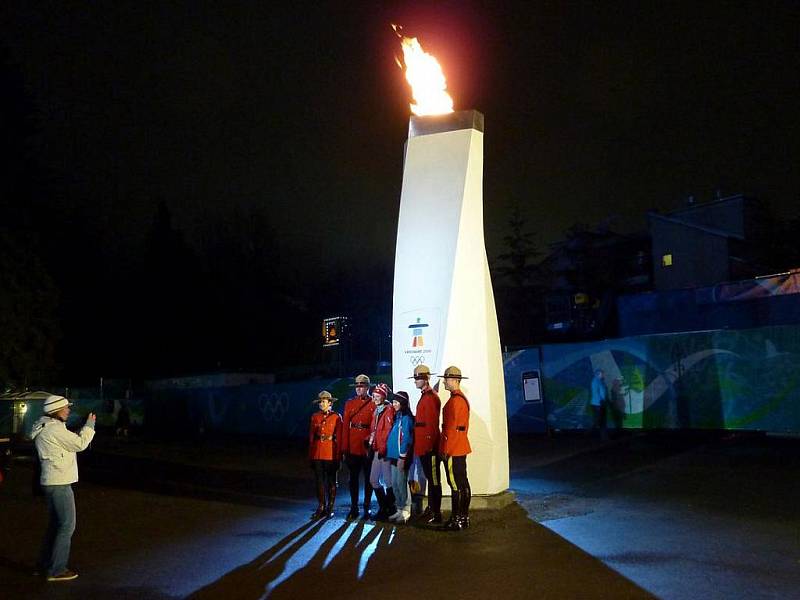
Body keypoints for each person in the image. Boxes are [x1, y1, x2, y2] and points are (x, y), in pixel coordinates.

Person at [30, 395, 96, 582]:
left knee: (55, 526)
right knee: (67, 525)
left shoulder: (44, 426)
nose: (68, 410)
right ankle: (56, 569)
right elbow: (80, 444)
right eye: (66, 408)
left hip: (51, 481)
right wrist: (89, 425)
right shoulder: (54, 430)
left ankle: (44, 565)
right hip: (59, 482)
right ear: (56, 410)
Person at [439, 366, 472, 531]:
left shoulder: (455, 401)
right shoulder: (460, 399)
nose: (444, 381)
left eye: (446, 378)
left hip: (453, 449)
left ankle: (457, 519)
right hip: (460, 447)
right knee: (462, 483)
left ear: (454, 380)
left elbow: (452, 429)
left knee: (455, 485)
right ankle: (463, 518)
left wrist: (446, 450)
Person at [340, 374, 377, 520]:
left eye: (361, 386)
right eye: (357, 386)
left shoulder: (373, 403)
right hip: (353, 446)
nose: (359, 389)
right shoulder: (350, 404)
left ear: (367, 387)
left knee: (369, 479)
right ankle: (354, 507)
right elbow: (345, 427)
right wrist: (344, 447)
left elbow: (375, 425)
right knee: (353, 479)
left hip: (367, 445)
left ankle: (367, 507)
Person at [410, 364, 443, 524]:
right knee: (431, 478)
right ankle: (431, 509)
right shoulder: (426, 396)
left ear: (425, 378)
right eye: (415, 377)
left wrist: (429, 447)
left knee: (434, 480)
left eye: (417, 378)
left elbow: (431, 424)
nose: (415, 381)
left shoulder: (431, 397)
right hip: (424, 446)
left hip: (429, 447)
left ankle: (436, 513)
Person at [308, 390, 342, 520]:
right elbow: (311, 437)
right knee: (319, 481)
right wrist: (311, 455)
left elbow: (338, 437)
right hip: (318, 452)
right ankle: (321, 506)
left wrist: (339, 456)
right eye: (320, 402)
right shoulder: (315, 417)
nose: (321, 404)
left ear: (330, 403)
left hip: (330, 452)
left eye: (323, 401)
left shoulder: (336, 417)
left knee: (331, 480)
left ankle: (330, 507)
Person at [367, 382, 395, 521]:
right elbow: (376, 430)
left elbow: (387, 432)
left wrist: (383, 448)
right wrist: (370, 439)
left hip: (384, 450)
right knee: (373, 480)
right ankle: (385, 507)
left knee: (388, 480)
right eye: (374, 395)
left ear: (383, 396)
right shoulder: (376, 411)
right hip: (377, 449)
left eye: (378, 395)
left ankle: (389, 509)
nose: (375, 398)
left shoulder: (388, 410)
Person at [386, 391, 414, 523]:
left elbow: (406, 438)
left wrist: (402, 457)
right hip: (393, 456)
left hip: (401, 457)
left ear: (403, 403)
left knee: (402, 483)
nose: (394, 404)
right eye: (393, 402)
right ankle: (399, 508)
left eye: (397, 402)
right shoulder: (398, 416)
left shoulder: (406, 418)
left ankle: (406, 510)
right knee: (395, 483)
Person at [590, 369, 609, 440]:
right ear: (598, 374)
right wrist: (602, 400)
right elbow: (601, 392)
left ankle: (604, 437)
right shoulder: (597, 381)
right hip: (598, 404)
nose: (603, 375)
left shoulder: (597, 381)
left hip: (598, 403)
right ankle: (589, 435)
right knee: (599, 421)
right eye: (602, 374)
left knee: (601, 421)